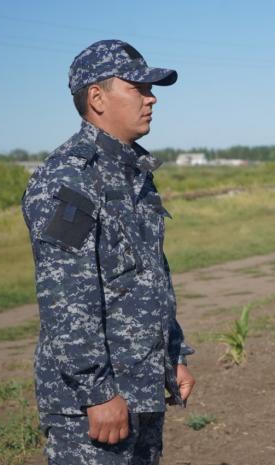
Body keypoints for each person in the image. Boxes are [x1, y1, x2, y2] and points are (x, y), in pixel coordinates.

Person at [22, 39, 195, 464]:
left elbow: (149, 276)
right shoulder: (70, 180)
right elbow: (66, 298)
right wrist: (97, 393)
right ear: (97, 98)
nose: (151, 98)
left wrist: (172, 356)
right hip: (95, 406)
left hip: (142, 386)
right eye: (137, 88)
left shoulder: (132, 172)